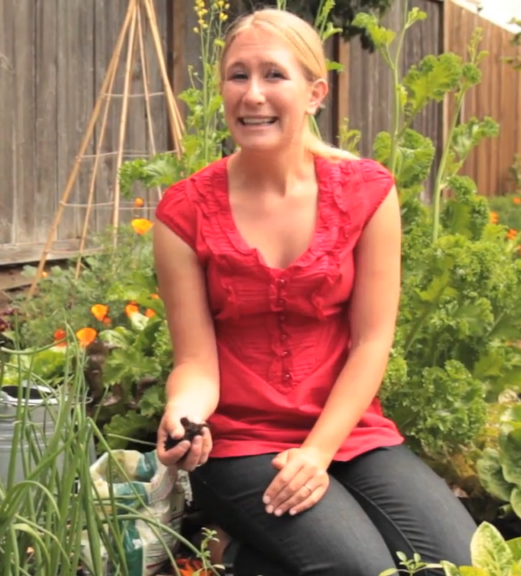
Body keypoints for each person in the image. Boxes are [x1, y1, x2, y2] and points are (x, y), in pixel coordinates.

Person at [151, 7, 478, 576]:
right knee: (360, 571)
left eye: (274, 75)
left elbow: (371, 341)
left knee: (458, 563)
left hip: (348, 431)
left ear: (314, 92)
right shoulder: (184, 211)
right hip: (241, 444)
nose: (252, 95)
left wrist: (318, 452)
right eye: (238, 75)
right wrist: (184, 415)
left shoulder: (366, 193)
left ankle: (250, 558)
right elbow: (197, 361)